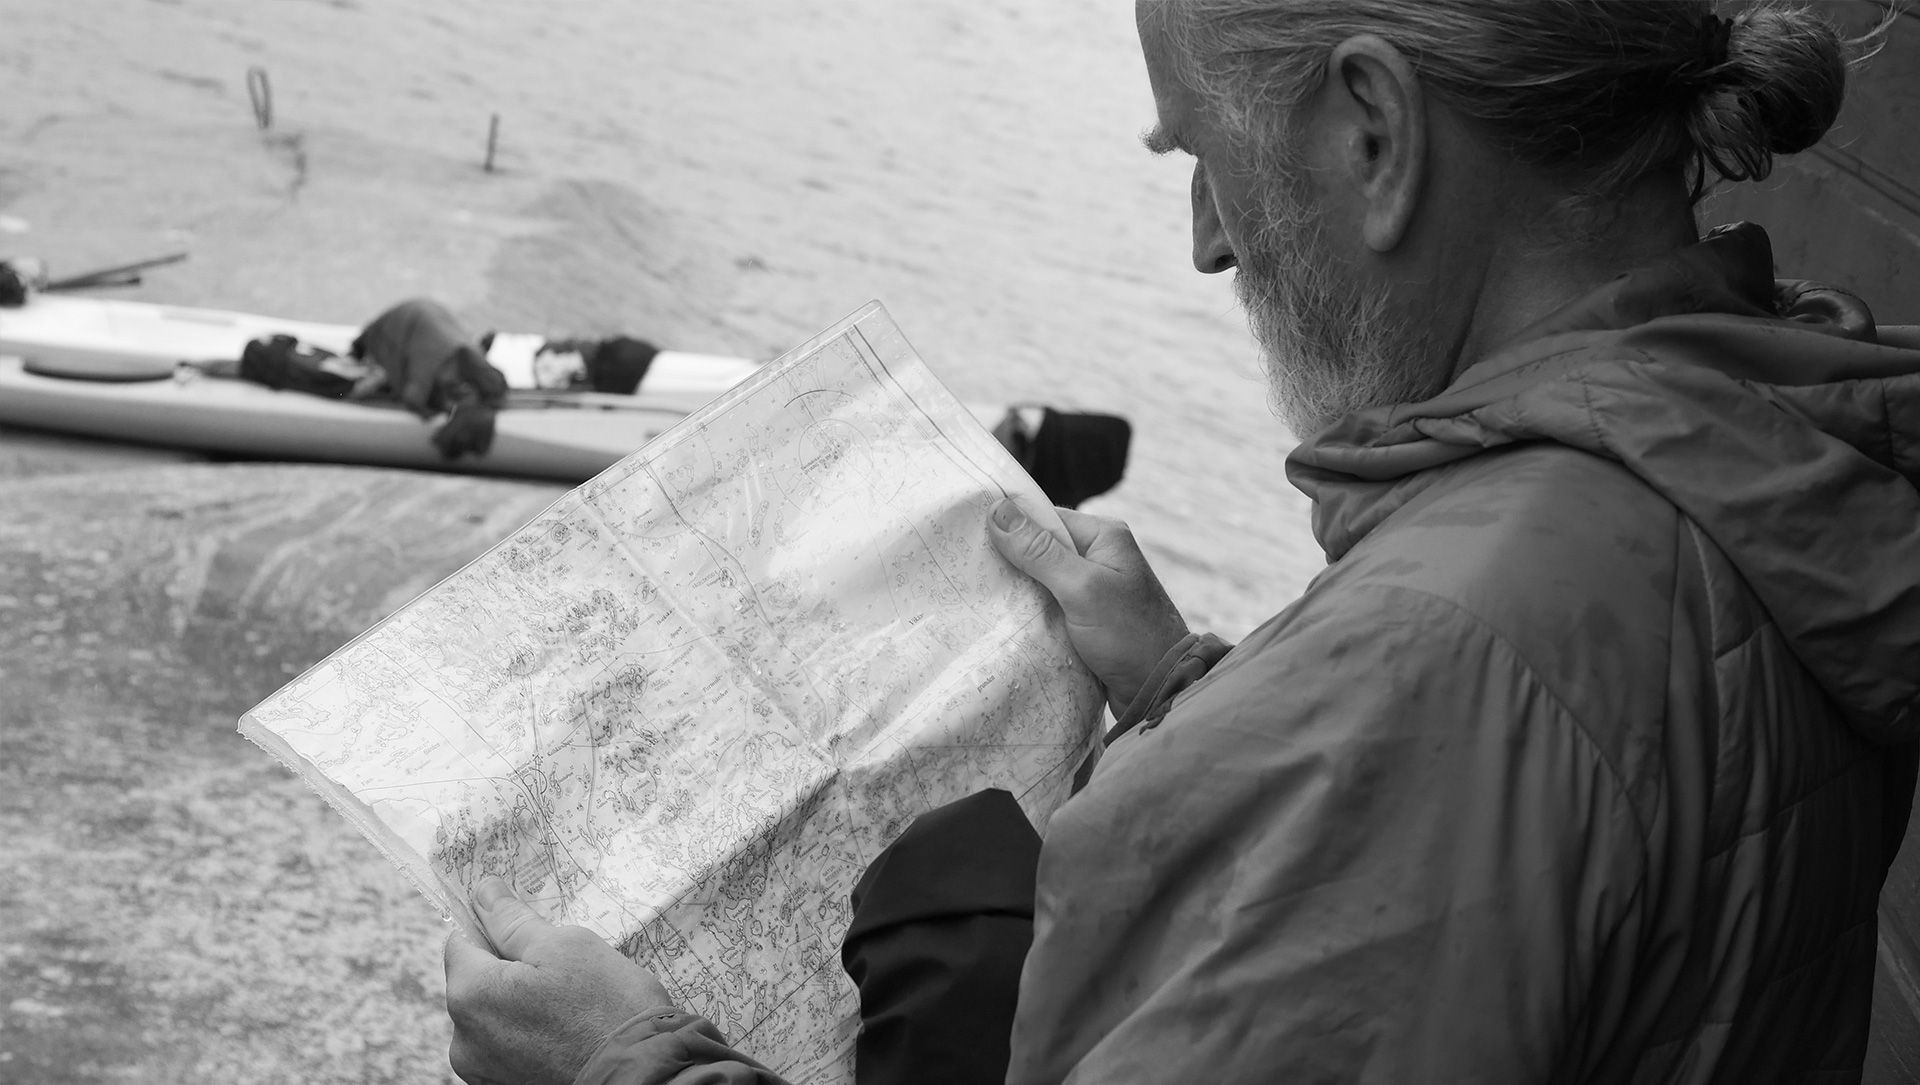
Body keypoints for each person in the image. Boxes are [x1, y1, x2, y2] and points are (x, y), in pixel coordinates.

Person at [441, 1, 1920, 1081]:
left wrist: (622, 1062)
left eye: (1202, 149)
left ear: (1375, 131)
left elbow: (1465, 741)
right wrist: (1192, 687)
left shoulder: (1433, 666)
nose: (1209, 238)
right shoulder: (1764, 441)